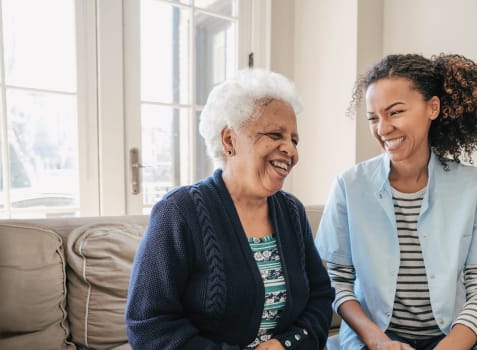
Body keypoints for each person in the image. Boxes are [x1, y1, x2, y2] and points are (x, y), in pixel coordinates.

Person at [126, 68, 334, 350]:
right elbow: (149, 324)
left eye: (294, 140)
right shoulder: (178, 211)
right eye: (276, 134)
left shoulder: (292, 212)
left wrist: (286, 344)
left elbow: (320, 295)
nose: (290, 150)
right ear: (229, 140)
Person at [315, 53, 477, 350]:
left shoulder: (473, 184)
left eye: (395, 112)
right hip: (375, 339)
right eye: (373, 118)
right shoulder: (349, 185)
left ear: (432, 108)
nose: (382, 128)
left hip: (454, 340)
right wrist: (376, 340)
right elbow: (336, 279)